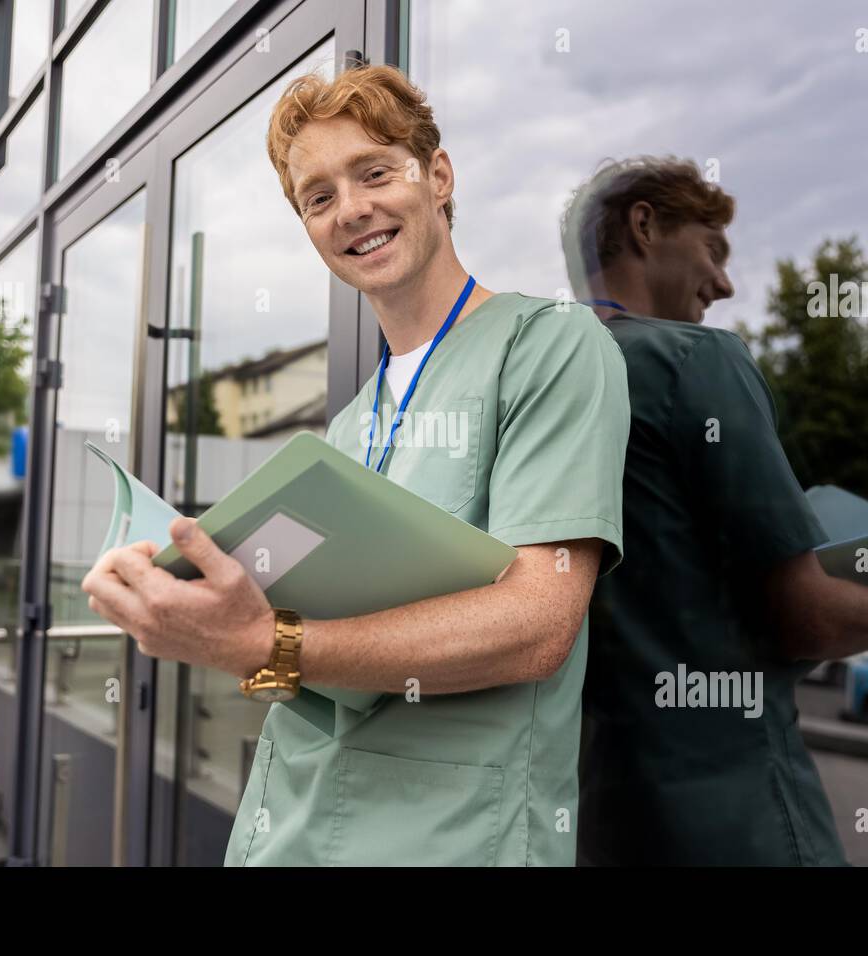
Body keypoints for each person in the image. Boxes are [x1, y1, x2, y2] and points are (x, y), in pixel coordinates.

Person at [81, 64, 630, 866]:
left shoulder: (548, 344)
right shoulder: (347, 424)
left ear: (437, 177)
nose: (352, 210)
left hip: (450, 837)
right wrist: (204, 619)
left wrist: (269, 643)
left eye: (375, 172)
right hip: (288, 827)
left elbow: (535, 627)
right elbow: (298, 658)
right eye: (319, 196)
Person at [559, 156, 868, 865]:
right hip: (735, 811)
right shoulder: (694, 361)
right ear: (643, 224)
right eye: (713, 251)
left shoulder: (542, 381)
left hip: (597, 810)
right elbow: (805, 615)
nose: (723, 284)